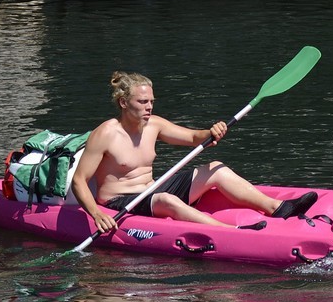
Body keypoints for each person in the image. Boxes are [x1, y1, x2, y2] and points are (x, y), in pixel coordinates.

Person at [71, 69, 318, 234]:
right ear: (124, 103)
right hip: (121, 201)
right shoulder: (105, 133)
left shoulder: (154, 124)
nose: (149, 107)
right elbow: (80, 181)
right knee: (168, 200)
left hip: (151, 189)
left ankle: (278, 208)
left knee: (216, 169)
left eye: (152, 102)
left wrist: (211, 131)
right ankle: (231, 233)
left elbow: (192, 137)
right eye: (142, 102)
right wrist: (95, 214)